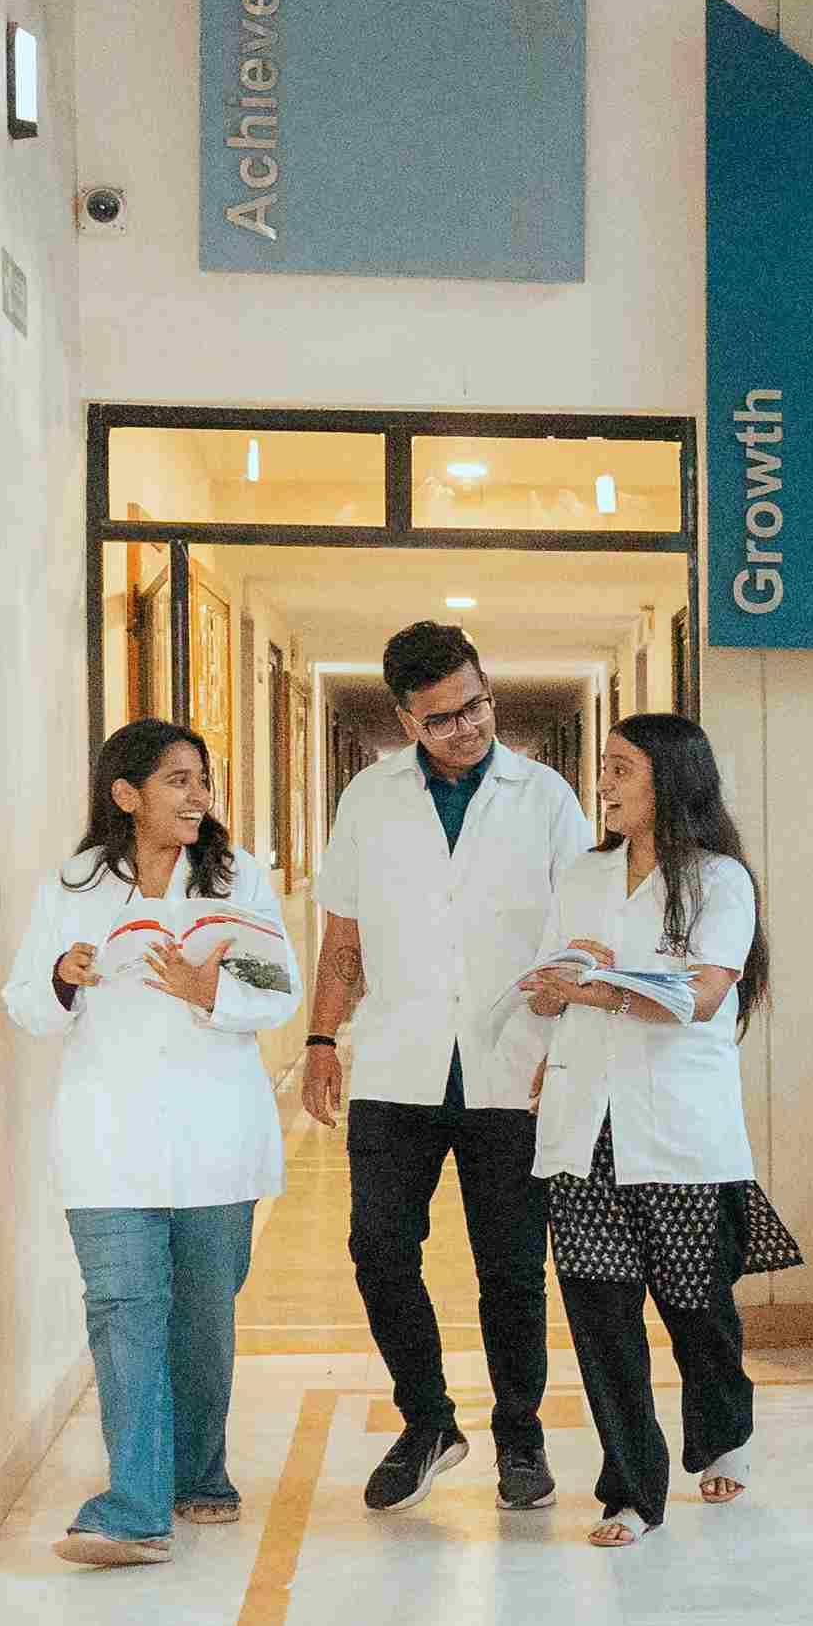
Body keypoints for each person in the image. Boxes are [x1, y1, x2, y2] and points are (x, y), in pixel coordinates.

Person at [300, 621, 593, 1517]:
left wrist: (569, 1044)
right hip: (398, 1065)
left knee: (510, 1266)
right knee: (379, 1249)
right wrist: (319, 1040)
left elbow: (583, 935)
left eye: (476, 706)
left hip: (514, 1067)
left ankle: (521, 1436)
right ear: (405, 718)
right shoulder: (369, 799)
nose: (467, 728)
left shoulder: (545, 797)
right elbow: (343, 934)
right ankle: (427, 1419)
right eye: (441, 719)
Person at [0, 720, 296, 1569]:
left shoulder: (240, 879)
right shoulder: (75, 882)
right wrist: (63, 973)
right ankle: (132, 1504)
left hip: (215, 1134)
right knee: (125, 1312)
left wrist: (213, 985)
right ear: (126, 794)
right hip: (108, 1135)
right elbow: (24, 996)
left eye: (203, 779)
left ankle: (200, 1472)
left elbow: (283, 989)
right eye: (177, 780)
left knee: (203, 1317)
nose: (198, 795)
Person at [523, 712, 796, 1545]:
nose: (601, 784)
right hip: (584, 1124)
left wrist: (597, 983)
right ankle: (630, 1491)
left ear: (670, 780)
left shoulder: (720, 881)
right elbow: (544, 989)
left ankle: (721, 1432)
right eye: (602, 768)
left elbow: (704, 994)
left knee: (694, 1302)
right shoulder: (582, 873)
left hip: (679, 1128)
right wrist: (557, 986)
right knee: (602, 1315)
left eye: (619, 770)